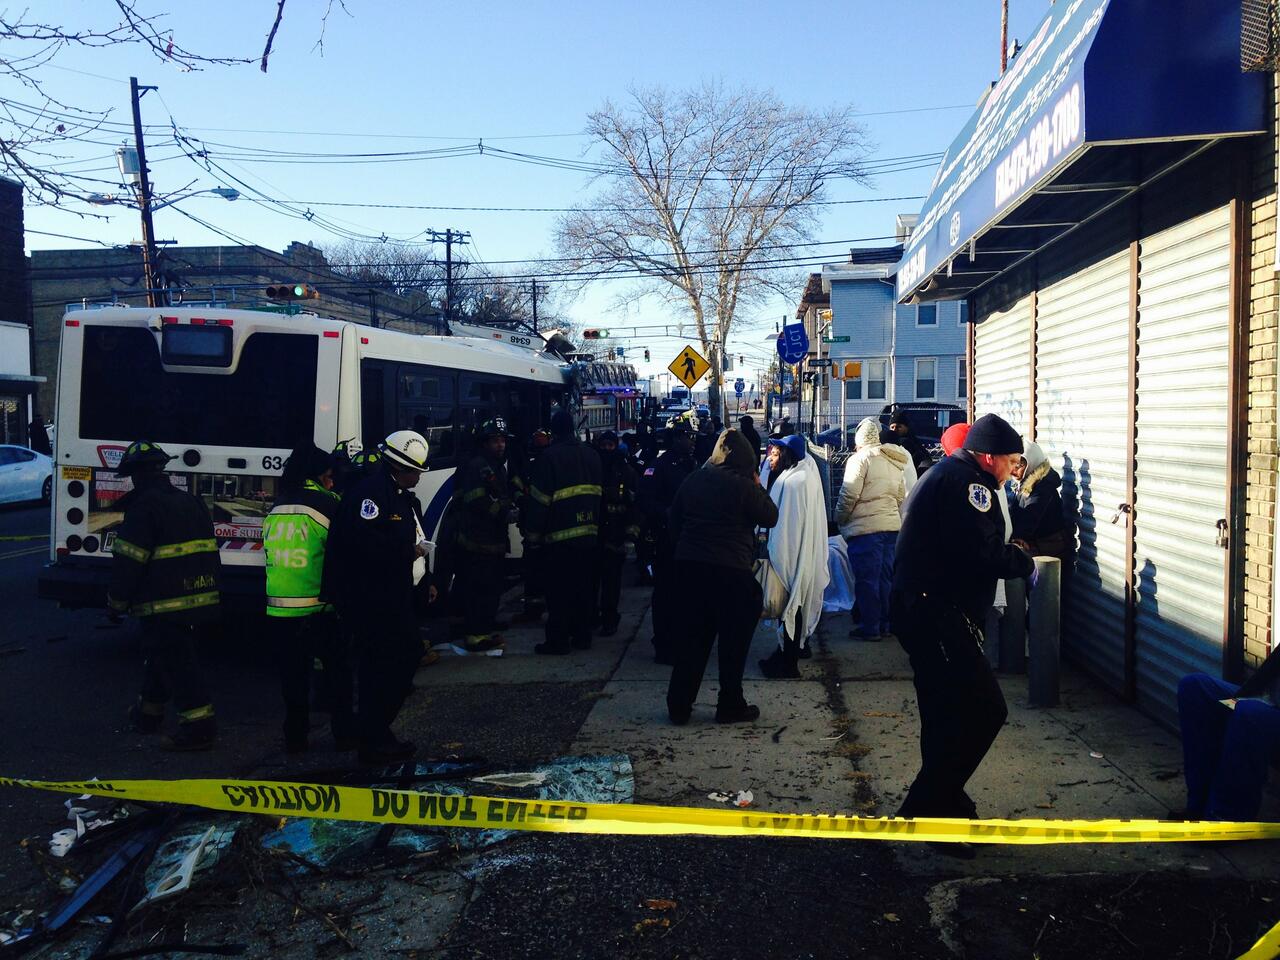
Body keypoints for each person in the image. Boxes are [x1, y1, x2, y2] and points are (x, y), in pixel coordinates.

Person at [890, 413, 1034, 854]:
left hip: (926, 609)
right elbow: (981, 554)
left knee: (944, 713)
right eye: (1011, 460)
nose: (1014, 468)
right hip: (938, 614)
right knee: (985, 710)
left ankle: (943, 809)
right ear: (988, 457)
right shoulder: (971, 486)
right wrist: (1022, 560)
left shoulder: (951, 474)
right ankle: (930, 804)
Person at [323, 429, 431, 764]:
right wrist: (406, 551)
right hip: (370, 598)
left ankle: (376, 731)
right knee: (386, 663)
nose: (419, 477)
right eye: (416, 471)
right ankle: (373, 735)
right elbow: (362, 544)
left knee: (395, 660)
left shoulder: (395, 493)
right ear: (400, 467)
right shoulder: (371, 495)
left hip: (391, 594)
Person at [107, 441, 220, 750]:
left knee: (180, 664)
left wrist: (116, 602)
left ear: (136, 475)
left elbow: (129, 560)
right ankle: (148, 714)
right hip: (201, 597)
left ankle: (200, 728)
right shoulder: (190, 501)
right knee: (162, 656)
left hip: (163, 604)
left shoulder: (144, 508)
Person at [666, 429, 779, 724]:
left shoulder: (694, 478)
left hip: (690, 568)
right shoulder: (743, 485)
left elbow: (674, 520)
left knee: (692, 640)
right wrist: (758, 483)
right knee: (733, 643)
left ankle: (679, 705)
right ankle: (730, 704)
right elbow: (770, 516)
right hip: (731, 572)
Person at [263, 444, 353, 753]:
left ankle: (296, 737)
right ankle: (344, 734)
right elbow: (345, 554)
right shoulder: (330, 504)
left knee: (293, 678)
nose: (332, 482)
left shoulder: (278, 504)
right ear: (319, 476)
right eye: (329, 476)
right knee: (337, 673)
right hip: (320, 606)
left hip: (279, 608)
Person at [525, 410, 602, 655]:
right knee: (583, 590)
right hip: (589, 536)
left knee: (558, 593)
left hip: (558, 539)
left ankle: (558, 641)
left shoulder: (548, 458)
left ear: (554, 431)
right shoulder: (592, 455)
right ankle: (582, 636)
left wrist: (533, 536)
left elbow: (539, 501)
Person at [1176, 648, 1280, 821]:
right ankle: (1200, 806)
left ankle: (1227, 818)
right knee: (1194, 687)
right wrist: (1238, 701)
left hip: (1266, 713)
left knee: (1249, 714)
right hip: (1268, 701)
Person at [758, 435, 830, 679]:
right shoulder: (803, 475)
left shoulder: (794, 482)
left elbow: (785, 526)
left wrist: (778, 556)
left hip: (791, 555)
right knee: (793, 606)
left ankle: (788, 664)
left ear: (787, 454)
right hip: (800, 553)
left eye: (776, 453)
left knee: (791, 606)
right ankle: (786, 655)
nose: (771, 457)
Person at [837, 418, 910, 641]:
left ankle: (870, 628)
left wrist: (840, 518)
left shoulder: (859, 460)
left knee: (867, 580)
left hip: (866, 529)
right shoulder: (891, 460)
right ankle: (885, 624)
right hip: (891, 527)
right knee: (885, 578)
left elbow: (849, 495)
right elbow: (899, 496)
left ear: (858, 439)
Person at [450, 418, 516, 654]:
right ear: (485, 443)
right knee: (480, 588)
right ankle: (476, 636)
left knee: (492, 587)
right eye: (495, 441)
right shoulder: (478, 465)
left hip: (491, 540)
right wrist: (503, 513)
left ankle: (484, 628)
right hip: (478, 541)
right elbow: (475, 499)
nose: (501, 445)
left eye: (502, 441)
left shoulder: (494, 465)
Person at [640, 422, 698, 663]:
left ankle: (681, 641)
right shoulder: (659, 467)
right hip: (666, 540)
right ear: (676, 439)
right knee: (665, 594)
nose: (692, 441)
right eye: (688, 437)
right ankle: (663, 644)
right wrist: (667, 513)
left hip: (688, 541)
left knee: (685, 594)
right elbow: (645, 501)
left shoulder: (691, 464)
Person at [595, 430, 639, 636]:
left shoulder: (626, 471)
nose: (606, 450)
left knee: (612, 583)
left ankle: (609, 619)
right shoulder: (593, 468)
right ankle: (593, 617)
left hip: (616, 536)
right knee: (592, 582)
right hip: (595, 535)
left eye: (610, 446)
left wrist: (631, 535)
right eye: (603, 446)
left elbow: (635, 505)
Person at [1009, 440, 1072, 563]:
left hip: (1049, 546)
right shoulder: (1024, 482)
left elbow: (1031, 516)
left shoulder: (1042, 485)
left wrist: (1015, 537)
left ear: (1031, 462)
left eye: (1019, 466)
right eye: (1013, 464)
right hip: (1037, 543)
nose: (1013, 471)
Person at [513, 429, 553, 620]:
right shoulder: (529, 463)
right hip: (532, 525)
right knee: (533, 571)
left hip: (542, 526)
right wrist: (522, 499)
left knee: (540, 570)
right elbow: (516, 485)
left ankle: (539, 606)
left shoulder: (548, 462)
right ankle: (533, 608)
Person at [888, 409, 933, 475]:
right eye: (892, 427)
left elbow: (925, 460)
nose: (894, 430)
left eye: (898, 427)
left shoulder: (911, 443)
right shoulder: (888, 443)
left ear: (906, 428)